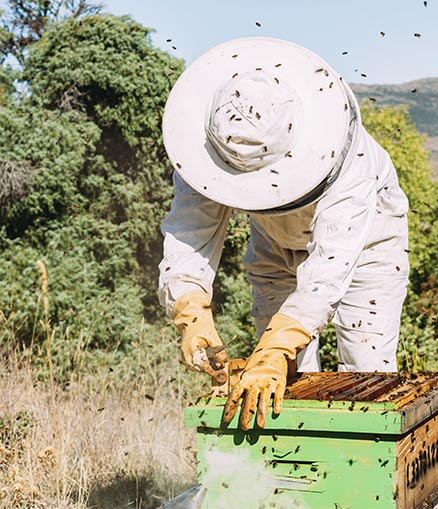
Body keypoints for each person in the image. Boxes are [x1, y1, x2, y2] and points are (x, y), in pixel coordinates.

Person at [157, 37, 409, 431]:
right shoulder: (212, 141)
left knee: (366, 374)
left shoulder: (349, 163)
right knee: (275, 380)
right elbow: (189, 233)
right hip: (275, 244)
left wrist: (278, 347)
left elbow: (327, 272)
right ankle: (288, 483)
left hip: (367, 244)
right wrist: (191, 313)